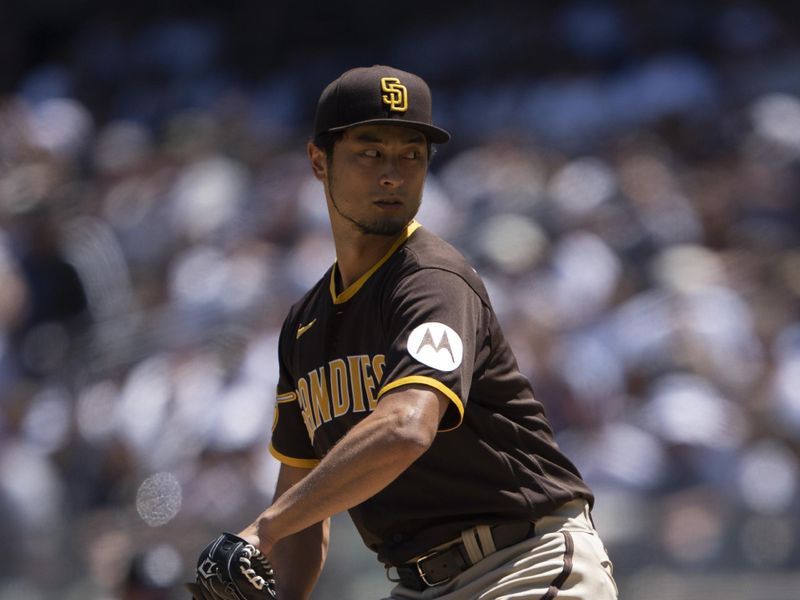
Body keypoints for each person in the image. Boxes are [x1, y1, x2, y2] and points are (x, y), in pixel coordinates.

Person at [239, 65, 618, 600]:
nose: (393, 174)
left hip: (522, 564)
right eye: (370, 153)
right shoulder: (305, 325)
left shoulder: (431, 280)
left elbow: (405, 427)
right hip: (419, 587)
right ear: (319, 161)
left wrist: (263, 529)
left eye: (411, 155)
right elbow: (302, 509)